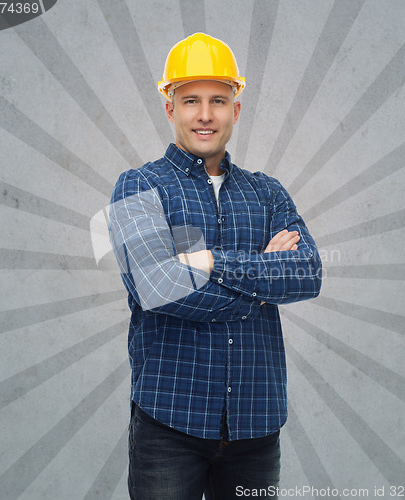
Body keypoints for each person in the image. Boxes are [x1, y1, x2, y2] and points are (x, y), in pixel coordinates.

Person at [109, 33, 322, 500]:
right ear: (170, 108)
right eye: (190, 100)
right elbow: (158, 287)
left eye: (218, 101)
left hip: (256, 427)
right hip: (168, 425)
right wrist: (262, 280)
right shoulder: (138, 188)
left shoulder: (267, 193)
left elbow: (308, 272)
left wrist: (209, 262)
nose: (205, 115)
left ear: (236, 110)